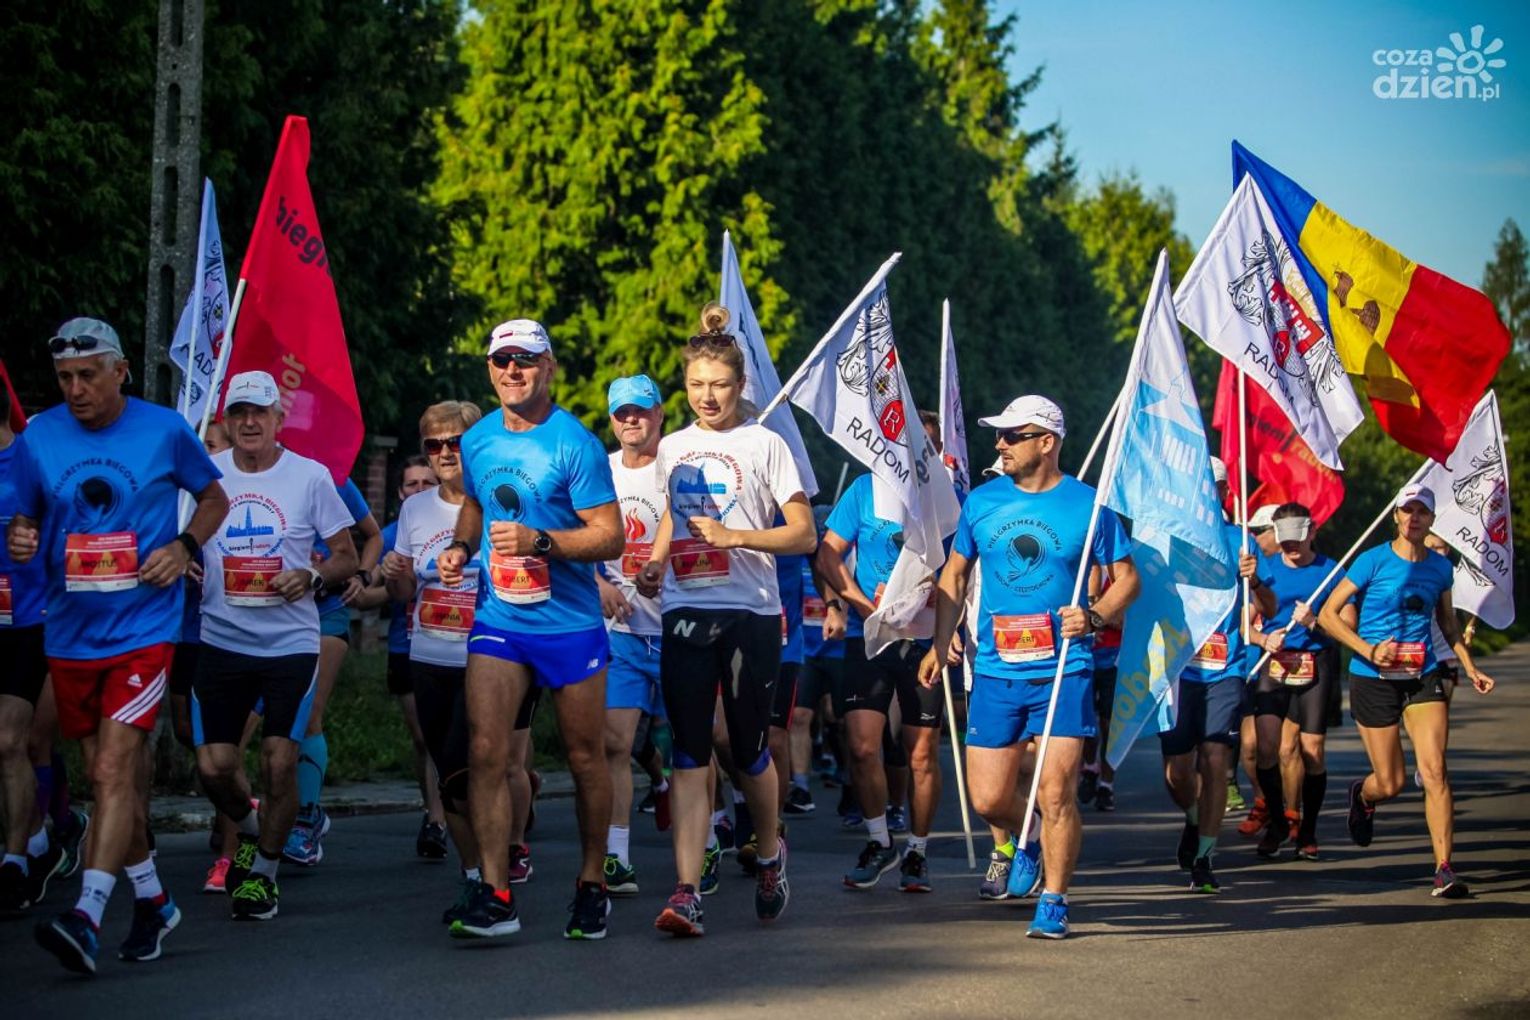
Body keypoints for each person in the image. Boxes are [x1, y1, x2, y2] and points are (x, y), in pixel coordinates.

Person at [9, 318, 228, 973]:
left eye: (87, 376)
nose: (76, 390)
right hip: (70, 634)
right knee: (109, 781)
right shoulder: (39, 436)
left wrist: (183, 547)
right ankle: (155, 901)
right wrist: (23, 536)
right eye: (65, 379)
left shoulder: (164, 430)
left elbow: (213, 499)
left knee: (110, 771)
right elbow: (27, 517)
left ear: (121, 371)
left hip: (144, 632)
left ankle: (87, 915)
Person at [918, 395, 1138, 939]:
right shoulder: (982, 501)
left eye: (1013, 435)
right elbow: (954, 576)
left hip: (1065, 668)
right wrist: (939, 642)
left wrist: (1094, 615)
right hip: (996, 670)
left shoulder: (1090, 505)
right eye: (999, 434)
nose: (1001, 444)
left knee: (1057, 792)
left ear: (1047, 442)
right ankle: (1030, 835)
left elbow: (1129, 579)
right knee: (988, 797)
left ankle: (1055, 899)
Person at [437, 319, 623, 940]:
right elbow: (474, 504)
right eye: (502, 361)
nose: (512, 370)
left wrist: (540, 541)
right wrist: (461, 547)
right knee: (485, 752)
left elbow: (610, 537)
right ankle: (495, 894)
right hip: (501, 619)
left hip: (569, 625)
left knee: (584, 757)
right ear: (490, 370)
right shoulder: (478, 440)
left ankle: (592, 882)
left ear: (549, 368)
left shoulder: (575, 444)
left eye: (525, 359)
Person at [635, 303, 814, 937]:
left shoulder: (766, 444)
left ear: (741, 385)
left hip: (751, 614)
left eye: (719, 385)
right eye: (695, 385)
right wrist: (656, 562)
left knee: (746, 749)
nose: (707, 397)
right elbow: (671, 512)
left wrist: (736, 535)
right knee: (688, 752)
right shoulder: (672, 447)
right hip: (686, 609)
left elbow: (803, 534)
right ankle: (686, 891)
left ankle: (768, 854)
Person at [191, 371, 358, 921]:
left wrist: (312, 577)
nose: (249, 423)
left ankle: (263, 872)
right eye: (239, 413)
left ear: (278, 419)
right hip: (221, 639)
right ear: (226, 420)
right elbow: (182, 539)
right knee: (214, 766)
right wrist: (185, 560)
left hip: (289, 644)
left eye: (259, 412)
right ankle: (256, 828)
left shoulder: (309, 477)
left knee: (279, 759)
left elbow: (346, 556)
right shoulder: (206, 475)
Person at [1318, 484, 1495, 898]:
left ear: (1432, 520)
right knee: (1391, 782)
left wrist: (1470, 666)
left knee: (1434, 771)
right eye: (1407, 510)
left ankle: (1444, 868)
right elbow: (1328, 615)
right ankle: (1363, 796)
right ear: (1396, 516)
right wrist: (1367, 649)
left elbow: (1448, 624)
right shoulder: (1372, 560)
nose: (1414, 518)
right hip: (1372, 678)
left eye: (1422, 512)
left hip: (1423, 675)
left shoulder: (1440, 568)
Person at [383, 400, 495, 925]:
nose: (446, 453)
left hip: (489, 657)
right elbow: (404, 592)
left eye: (456, 442)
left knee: (481, 770)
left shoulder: (496, 501)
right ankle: (473, 875)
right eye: (435, 445)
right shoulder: (416, 509)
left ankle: (497, 876)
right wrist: (396, 573)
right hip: (428, 654)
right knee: (449, 775)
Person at [817, 468, 947, 893]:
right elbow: (827, 555)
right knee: (861, 746)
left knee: (921, 754)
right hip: (870, 635)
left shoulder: (942, 492)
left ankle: (917, 850)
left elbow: (963, 569)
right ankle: (879, 842)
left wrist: (950, 627)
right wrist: (858, 605)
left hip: (922, 639)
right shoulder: (864, 489)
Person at [1159, 457, 1266, 894]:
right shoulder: (1168, 534)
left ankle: (1204, 857)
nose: (1206, 493)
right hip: (1178, 669)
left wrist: (1256, 583)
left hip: (1226, 668)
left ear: (1224, 492)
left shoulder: (1241, 540)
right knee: (1177, 773)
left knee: (1216, 759)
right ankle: (1192, 818)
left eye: (1214, 486)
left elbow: (1270, 607)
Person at [594, 375, 669, 897]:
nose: (631, 421)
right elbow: (574, 537)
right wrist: (598, 583)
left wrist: (664, 568)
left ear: (659, 414)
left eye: (640, 411)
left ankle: (713, 835)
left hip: (679, 627)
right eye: (622, 413)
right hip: (620, 632)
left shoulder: (679, 468)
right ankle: (616, 856)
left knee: (703, 745)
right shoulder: (599, 471)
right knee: (615, 744)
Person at [284, 470, 382, 866]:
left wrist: (363, 575)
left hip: (327, 609)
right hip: (273, 614)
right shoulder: (251, 475)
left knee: (308, 714)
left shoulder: (332, 477)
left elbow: (373, 535)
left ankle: (305, 819)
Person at [363, 454, 448, 860]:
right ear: (399, 493)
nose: (419, 490)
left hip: (458, 643)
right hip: (407, 644)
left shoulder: (459, 523)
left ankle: (516, 784)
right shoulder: (392, 534)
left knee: (468, 737)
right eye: (411, 484)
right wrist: (387, 583)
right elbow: (366, 593)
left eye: (427, 483)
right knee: (424, 738)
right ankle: (435, 817)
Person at [1248, 502, 1341, 861]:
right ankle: (1277, 821)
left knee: (1311, 750)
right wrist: (1262, 639)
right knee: (1266, 749)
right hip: (1275, 663)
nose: (1291, 546)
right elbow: (1244, 623)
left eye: (1297, 538)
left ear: (1312, 532)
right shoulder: (1266, 570)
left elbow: (1348, 626)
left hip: (1315, 663)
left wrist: (1315, 622)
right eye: (1284, 538)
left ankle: (1307, 830)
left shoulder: (1330, 570)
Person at [0, 382, 56, 914]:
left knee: (9, 740)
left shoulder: (35, 459)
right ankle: (40, 834)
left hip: (30, 622)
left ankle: (15, 861)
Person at [1234, 503, 1280, 835]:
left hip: (1285, 670)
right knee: (1250, 747)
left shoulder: (1291, 567)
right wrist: (1262, 639)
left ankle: (1290, 811)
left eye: (1261, 531)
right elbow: (1244, 622)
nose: (1254, 536)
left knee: (1288, 749)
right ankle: (1264, 801)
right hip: (1249, 666)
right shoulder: (1245, 564)